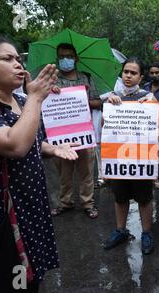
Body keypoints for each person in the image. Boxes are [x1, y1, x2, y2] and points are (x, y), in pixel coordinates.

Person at [0, 36, 78, 293]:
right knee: (3, 288)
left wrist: (52, 148)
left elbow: (30, 138)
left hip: (29, 208)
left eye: (19, 59)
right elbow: (14, 144)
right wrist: (36, 99)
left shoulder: (20, 100)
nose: (18, 64)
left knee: (28, 284)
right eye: (7, 59)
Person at [102, 57, 158, 255]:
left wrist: (151, 106)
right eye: (126, 71)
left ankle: (146, 233)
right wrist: (109, 107)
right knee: (120, 197)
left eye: (133, 73)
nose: (128, 75)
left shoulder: (148, 97)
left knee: (144, 198)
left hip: (141, 156)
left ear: (141, 77)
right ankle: (120, 230)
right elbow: (104, 126)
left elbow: (157, 125)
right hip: (118, 157)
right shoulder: (113, 97)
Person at [51, 43, 100, 219]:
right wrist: (50, 93)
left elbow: (97, 102)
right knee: (64, 173)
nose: (66, 59)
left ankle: (88, 203)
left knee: (86, 172)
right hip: (61, 136)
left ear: (76, 58)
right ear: (57, 59)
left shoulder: (86, 78)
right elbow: (41, 101)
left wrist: (82, 99)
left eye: (69, 56)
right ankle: (65, 202)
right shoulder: (51, 79)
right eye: (62, 56)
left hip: (84, 133)